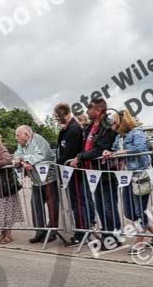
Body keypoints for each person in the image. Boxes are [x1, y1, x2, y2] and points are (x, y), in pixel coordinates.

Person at [104, 110, 153, 254]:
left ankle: (140, 240)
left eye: (114, 122)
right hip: (125, 177)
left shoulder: (137, 133)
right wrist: (108, 152)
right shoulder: (119, 137)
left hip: (140, 176)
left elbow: (140, 148)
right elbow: (114, 149)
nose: (112, 126)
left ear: (122, 122)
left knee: (139, 210)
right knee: (129, 212)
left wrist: (124, 152)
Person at [69, 98, 119, 250]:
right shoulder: (89, 127)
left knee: (108, 206)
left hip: (105, 173)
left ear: (97, 111)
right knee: (100, 206)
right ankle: (106, 236)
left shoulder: (108, 127)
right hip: (93, 173)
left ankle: (114, 238)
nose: (86, 112)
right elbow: (85, 146)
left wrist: (80, 157)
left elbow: (99, 149)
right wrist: (79, 155)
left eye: (89, 109)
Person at [14, 124, 58, 243]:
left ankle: (52, 232)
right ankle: (40, 232)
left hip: (49, 179)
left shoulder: (38, 140)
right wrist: (19, 159)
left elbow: (42, 156)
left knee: (52, 207)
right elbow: (17, 154)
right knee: (35, 206)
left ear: (26, 134)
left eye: (17, 135)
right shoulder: (21, 144)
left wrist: (24, 159)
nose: (16, 138)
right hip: (36, 181)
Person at [55, 103, 92, 245]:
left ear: (65, 114)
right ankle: (81, 231)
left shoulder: (74, 129)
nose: (57, 120)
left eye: (58, 117)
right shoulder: (66, 129)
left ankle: (82, 233)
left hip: (74, 171)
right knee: (76, 202)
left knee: (79, 203)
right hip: (68, 171)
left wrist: (58, 162)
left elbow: (69, 153)